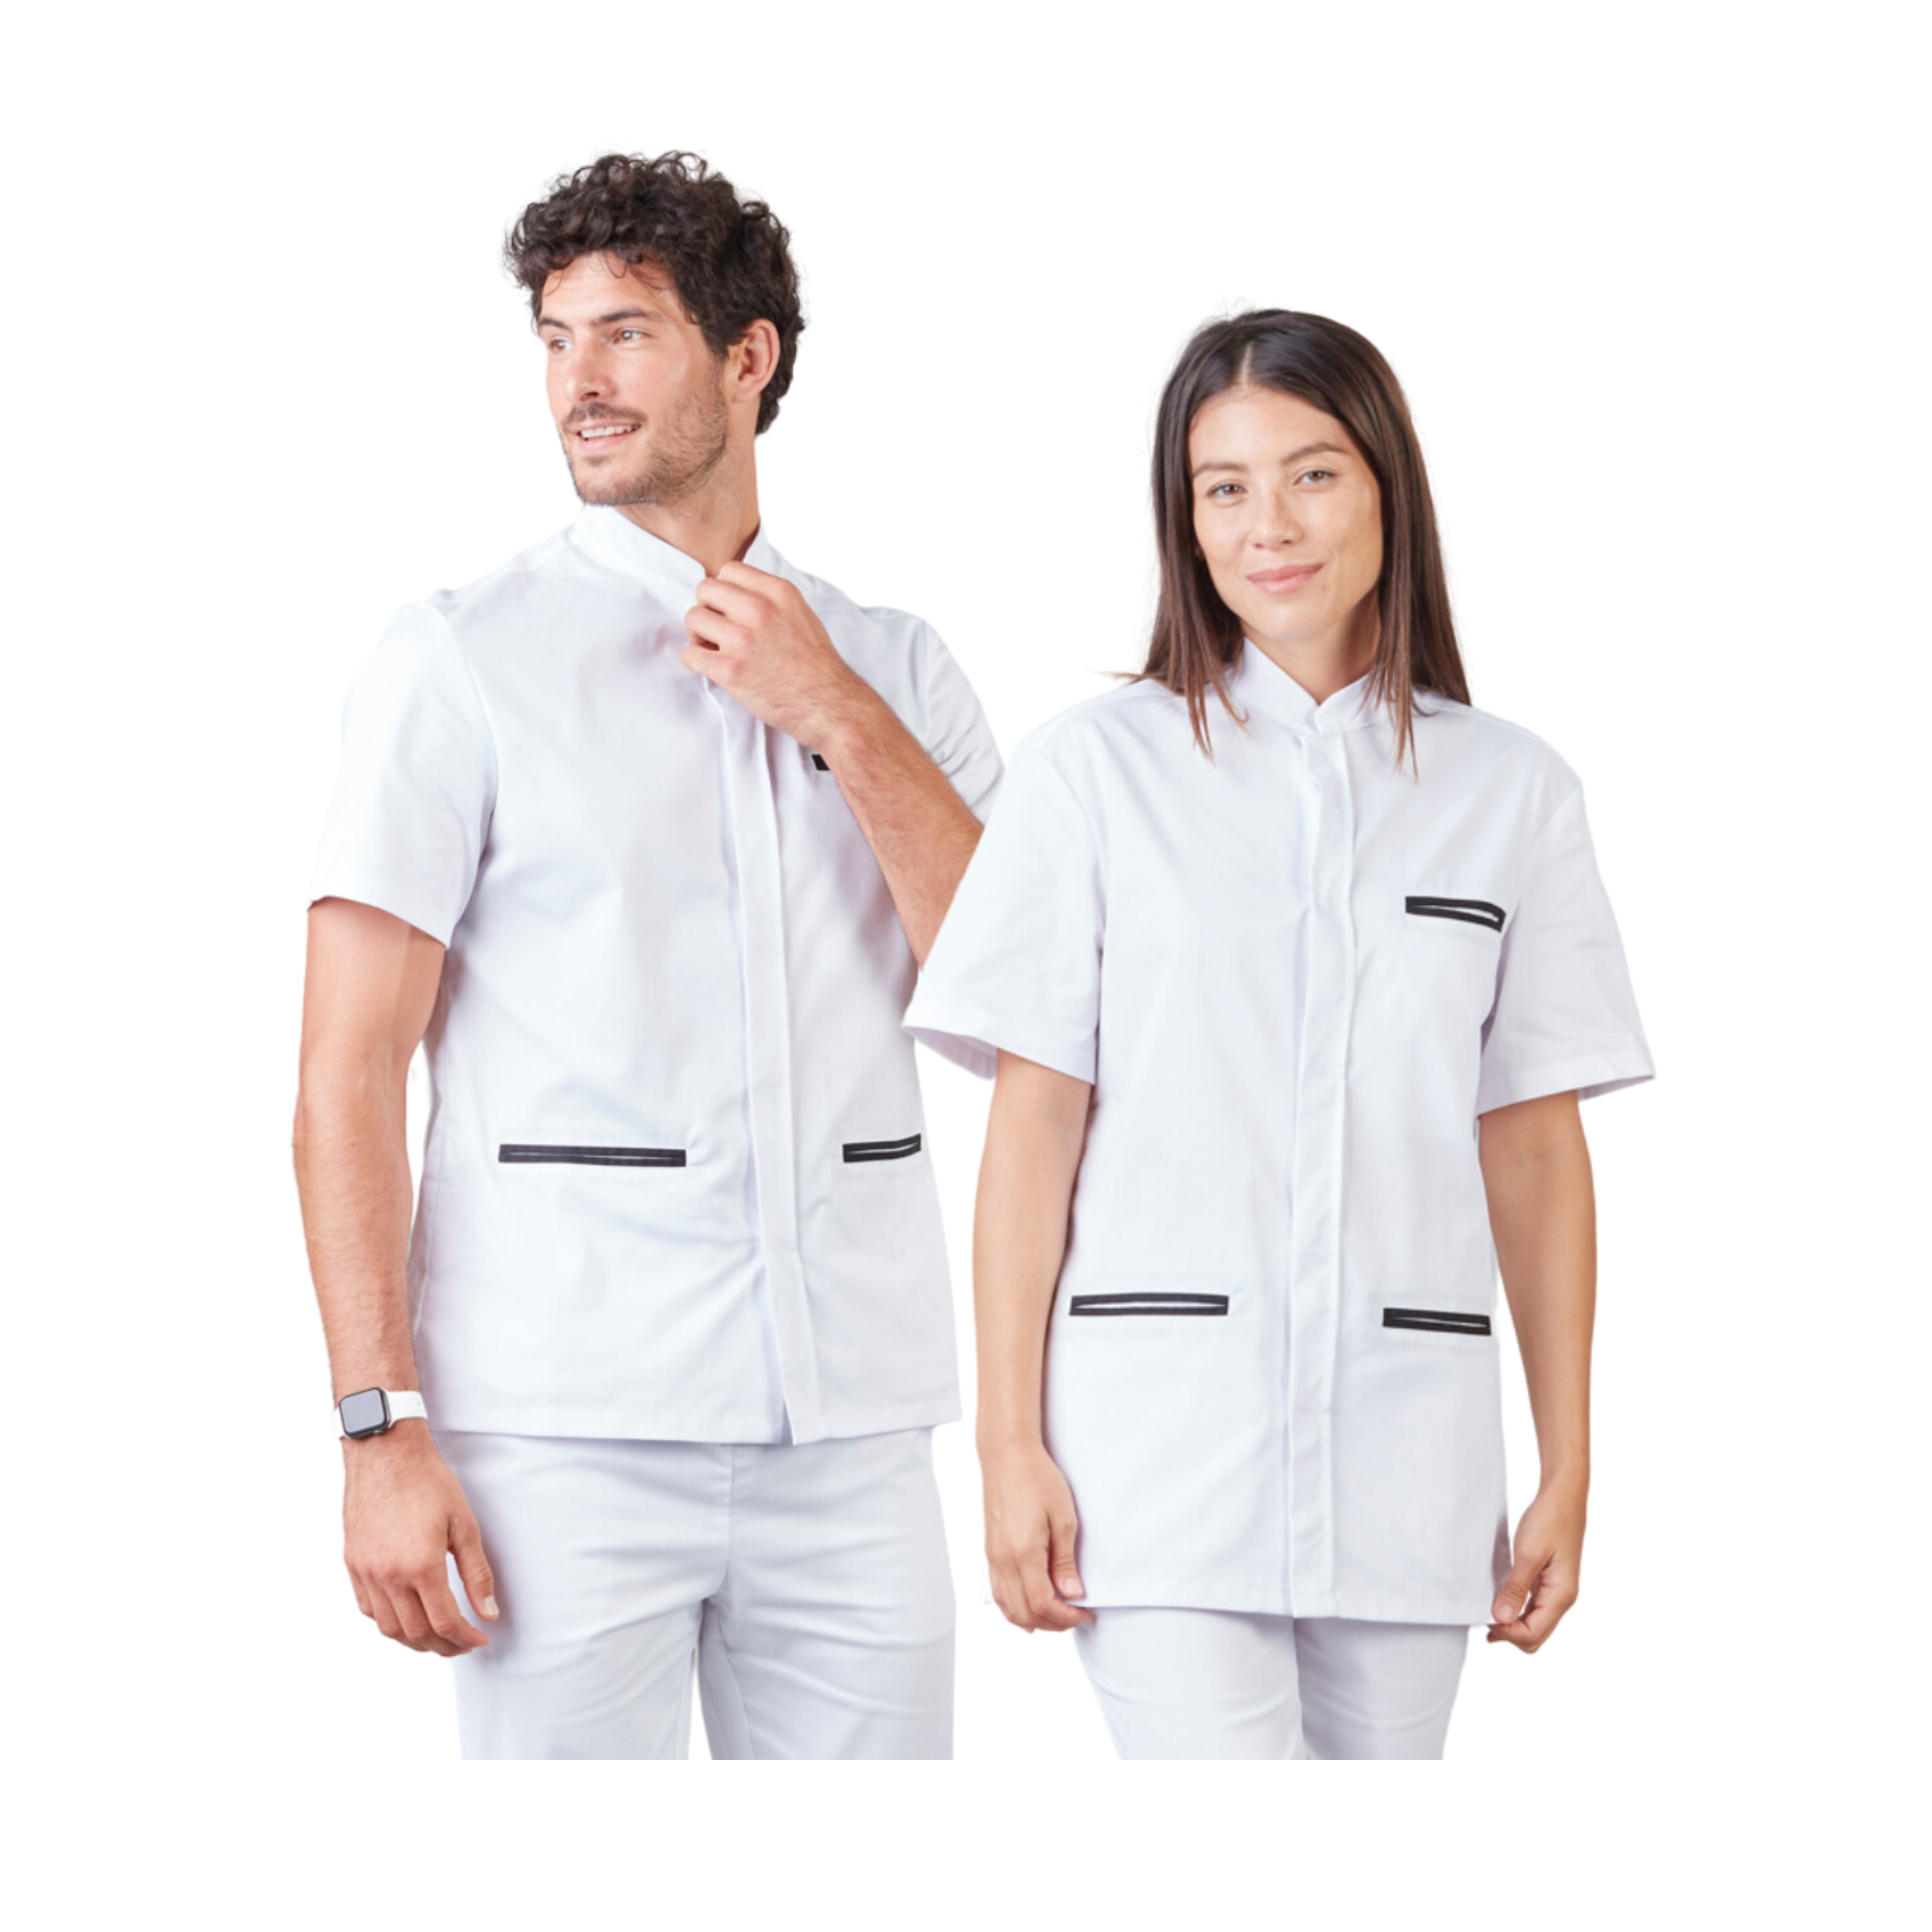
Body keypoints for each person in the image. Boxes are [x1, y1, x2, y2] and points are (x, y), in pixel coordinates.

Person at [293, 152, 1003, 1759]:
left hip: (855, 1432)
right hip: (562, 1432)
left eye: (626, 333)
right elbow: (344, 1071)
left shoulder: (894, 667)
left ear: (748, 358)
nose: (580, 383)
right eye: (556, 339)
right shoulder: (462, 661)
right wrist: (378, 1428)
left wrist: (839, 716)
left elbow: (1010, 1012)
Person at [901, 310, 1654, 1759]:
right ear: (1184, 523)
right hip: (1155, 1455)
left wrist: (1567, 1458)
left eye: (1312, 475)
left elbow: (1533, 1147)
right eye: (1224, 488)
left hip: (1409, 1454)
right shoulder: (1091, 776)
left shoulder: (1515, 794)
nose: (1270, 527)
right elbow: (1033, 1131)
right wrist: (1007, 1443)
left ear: (1387, 485)